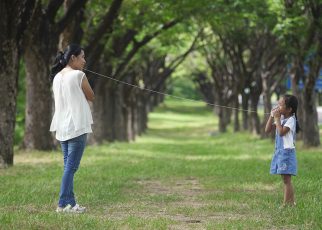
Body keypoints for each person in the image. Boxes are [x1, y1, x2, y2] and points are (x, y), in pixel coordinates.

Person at [50, 44, 94, 213]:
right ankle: (62, 204)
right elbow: (91, 96)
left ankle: (71, 203)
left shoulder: (57, 77)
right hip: (76, 125)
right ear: (73, 58)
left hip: (62, 126)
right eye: (82, 56)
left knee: (68, 166)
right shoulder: (78, 75)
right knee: (71, 167)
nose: (85, 60)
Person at [265, 94, 300, 208]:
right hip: (280, 152)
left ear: (289, 109)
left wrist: (277, 119)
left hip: (287, 153)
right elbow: (267, 130)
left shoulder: (290, 120)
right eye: (278, 104)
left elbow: (281, 132)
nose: (278, 106)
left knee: (287, 179)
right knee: (285, 179)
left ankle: (287, 204)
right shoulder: (282, 118)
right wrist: (271, 116)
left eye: (280, 104)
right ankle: (291, 203)